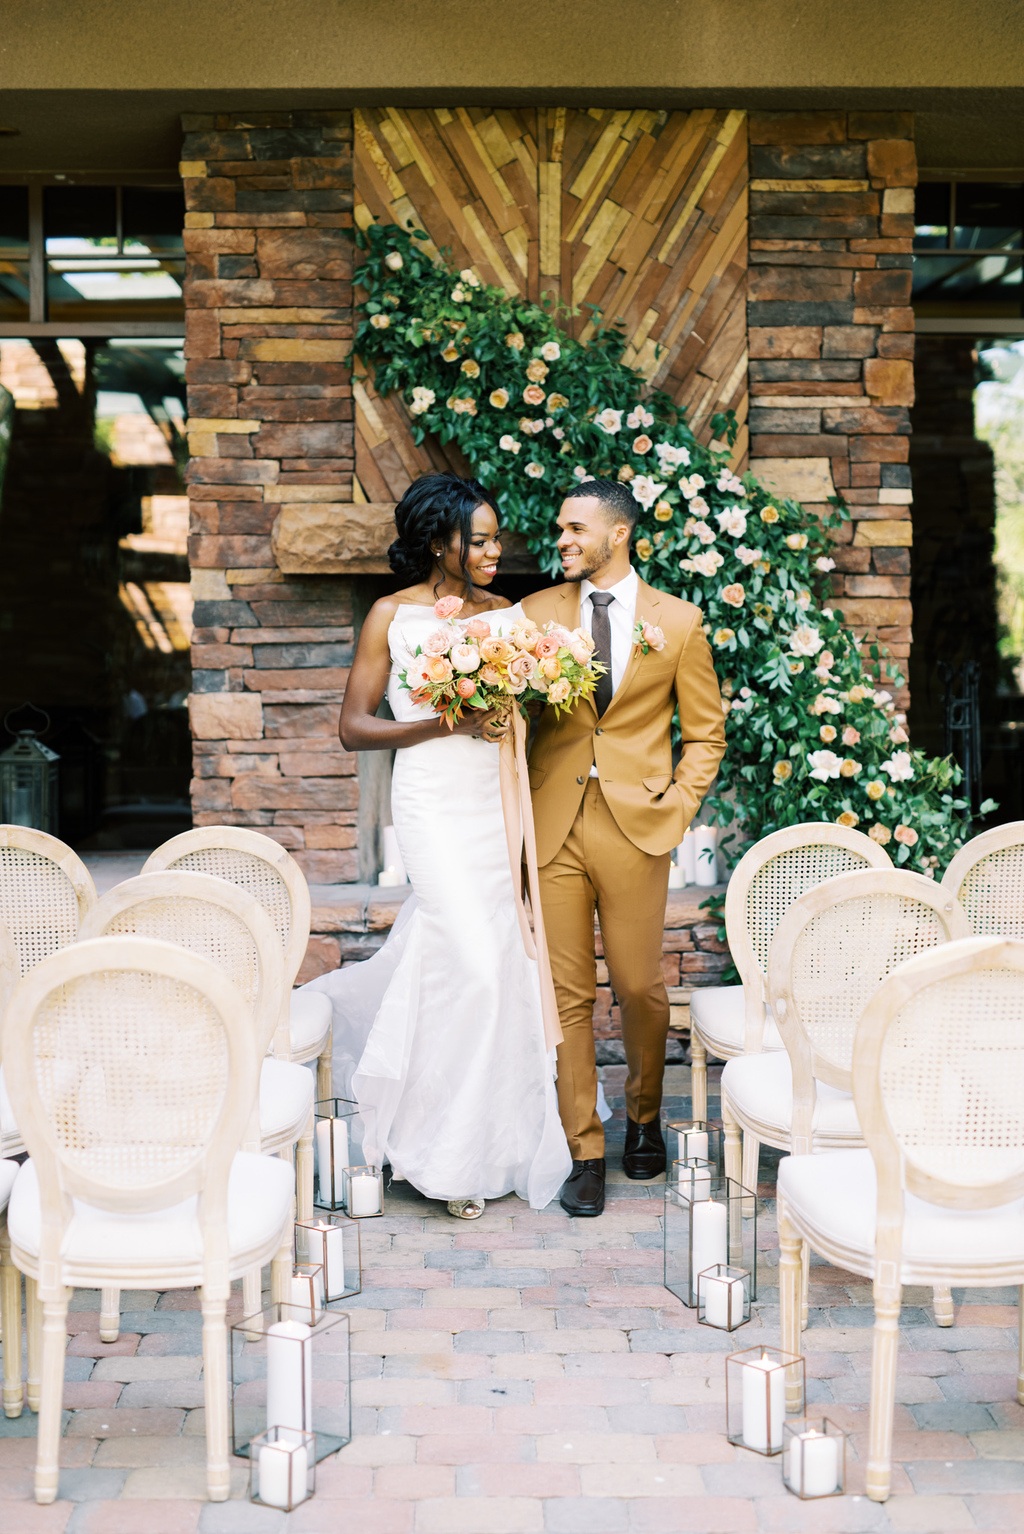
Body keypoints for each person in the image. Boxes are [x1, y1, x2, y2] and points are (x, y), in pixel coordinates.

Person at [303, 471, 571, 1220]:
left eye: (493, 537)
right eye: (477, 539)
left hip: (495, 804)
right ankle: (438, 1150)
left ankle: (474, 1145)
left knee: (478, 966)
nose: (493, 550)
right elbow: (354, 728)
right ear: (437, 542)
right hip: (430, 801)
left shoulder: (511, 617)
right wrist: (445, 721)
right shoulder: (391, 615)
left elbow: (527, 715)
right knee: (478, 967)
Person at [522, 478, 726, 1217]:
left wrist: (678, 805)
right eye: (559, 529)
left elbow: (705, 732)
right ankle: (585, 1147)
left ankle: (643, 1115)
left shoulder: (679, 621)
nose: (563, 541)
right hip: (553, 823)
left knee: (640, 986)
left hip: (639, 825)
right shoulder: (534, 614)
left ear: (618, 534)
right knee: (566, 996)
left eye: (575, 528)